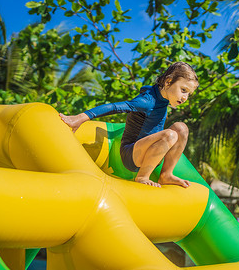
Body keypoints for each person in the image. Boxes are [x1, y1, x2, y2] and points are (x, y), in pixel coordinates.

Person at [60, 62, 198, 188]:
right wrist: (80, 117)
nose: (185, 97)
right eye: (183, 90)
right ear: (168, 82)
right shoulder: (147, 101)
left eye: (189, 94)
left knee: (182, 128)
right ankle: (142, 177)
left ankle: (166, 174)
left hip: (150, 154)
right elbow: (115, 107)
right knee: (170, 134)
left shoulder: (163, 97)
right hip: (132, 156)